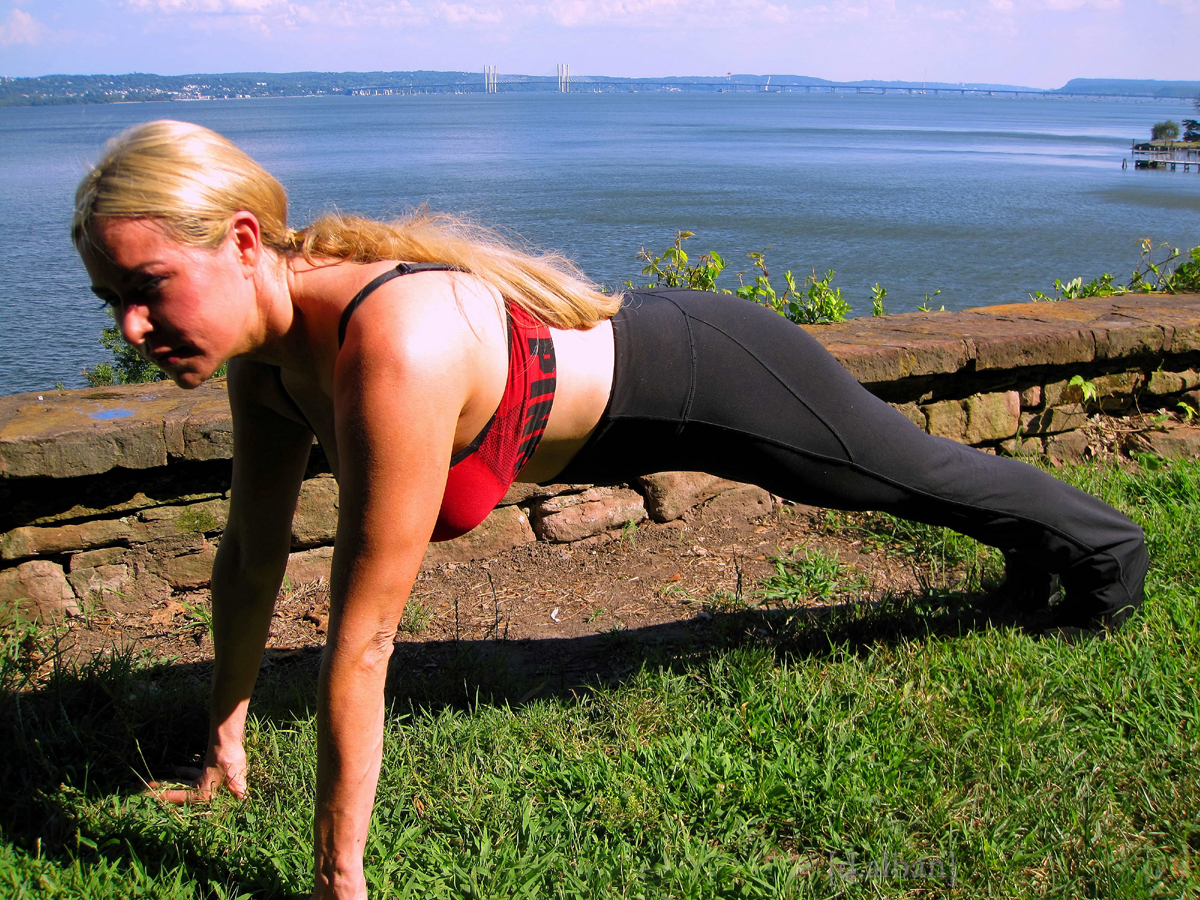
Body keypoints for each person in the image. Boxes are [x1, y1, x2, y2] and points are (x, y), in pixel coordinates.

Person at [72, 120, 1147, 899]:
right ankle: (1031, 560)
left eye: (150, 285)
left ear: (246, 241)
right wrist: (226, 741)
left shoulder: (385, 346)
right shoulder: (264, 361)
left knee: (904, 474)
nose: (130, 324)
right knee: (907, 477)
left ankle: (1107, 555)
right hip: (623, 397)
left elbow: (362, 644)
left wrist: (337, 881)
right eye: (109, 298)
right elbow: (253, 552)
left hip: (704, 373)